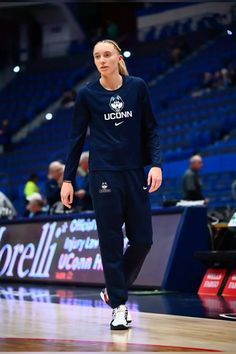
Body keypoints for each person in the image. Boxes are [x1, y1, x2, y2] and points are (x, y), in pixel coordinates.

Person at [60, 39, 162, 330]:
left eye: (107, 55)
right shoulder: (87, 95)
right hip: (103, 173)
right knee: (111, 243)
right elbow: (76, 138)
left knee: (143, 240)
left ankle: (112, 290)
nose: (102, 60)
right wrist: (67, 179)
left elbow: (151, 128)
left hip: (134, 172)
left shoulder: (137, 87)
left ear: (118, 57)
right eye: (97, 56)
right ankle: (119, 305)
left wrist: (155, 163)